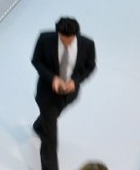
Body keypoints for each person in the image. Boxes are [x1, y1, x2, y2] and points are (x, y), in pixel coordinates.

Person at [31, 17, 97, 170]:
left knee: (50, 119)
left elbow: (90, 66)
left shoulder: (87, 44)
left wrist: (75, 81)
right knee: (50, 138)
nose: (66, 43)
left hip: (69, 93)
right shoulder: (45, 39)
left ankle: (39, 126)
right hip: (47, 93)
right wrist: (52, 78)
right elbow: (36, 60)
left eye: (70, 40)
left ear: (76, 35)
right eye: (62, 39)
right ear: (57, 33)